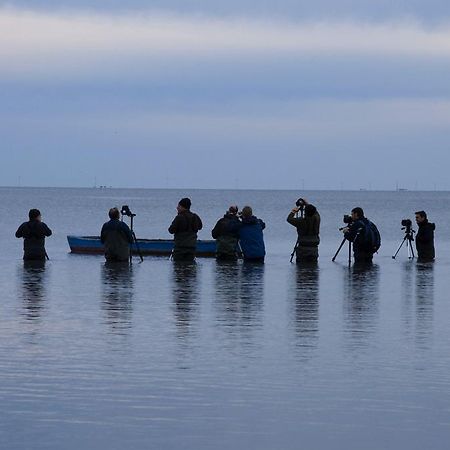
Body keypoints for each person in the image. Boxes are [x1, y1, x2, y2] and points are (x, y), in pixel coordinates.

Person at [168, 198, 203, 262]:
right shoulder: (195, 217)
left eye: (179, 206)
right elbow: (200, 227)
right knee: (190, 268)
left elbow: (171, 230)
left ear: (182, 207)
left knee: (178, 268)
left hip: (180, 249)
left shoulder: (179, 217)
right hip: (191, 248)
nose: (177, 208)